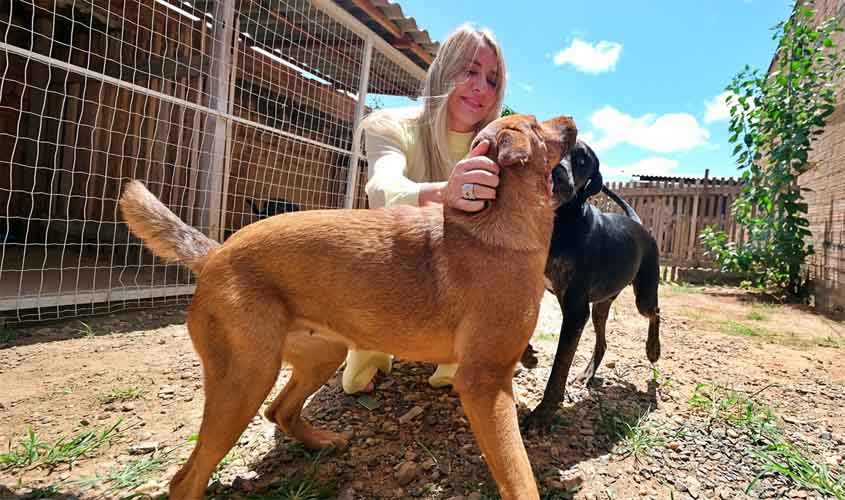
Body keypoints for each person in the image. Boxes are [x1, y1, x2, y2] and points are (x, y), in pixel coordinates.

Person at [341, 23, 508, 394]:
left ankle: (459, 354)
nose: (482, 87)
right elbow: (382, 190)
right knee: (377, 244)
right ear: (444, 70)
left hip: (457, 267)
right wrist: (445, 192)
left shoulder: (497, 145)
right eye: (470, 71)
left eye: (493, 80)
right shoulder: (390, 125)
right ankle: (370, 348)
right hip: (398, 257)